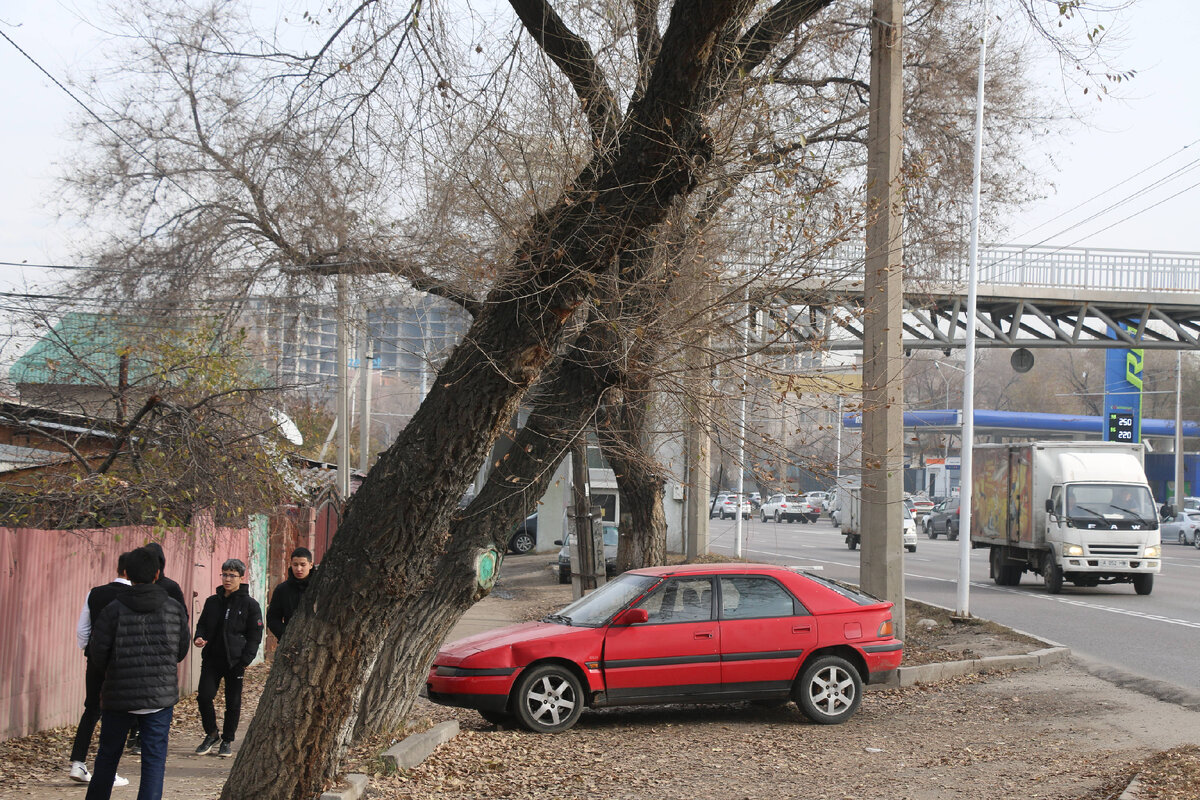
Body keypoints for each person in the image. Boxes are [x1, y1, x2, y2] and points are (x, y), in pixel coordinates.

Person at [83, 546, 190, 800]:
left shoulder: (113, 609)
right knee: (154, 762)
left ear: (127, 575)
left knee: (107, 757)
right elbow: (181, 650)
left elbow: (97, 653)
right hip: (159, 697)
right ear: (157, 574)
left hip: (118, 695)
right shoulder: (173, 608)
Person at [69, 553, 132, 787]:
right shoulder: (132, 596)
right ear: (129, 572)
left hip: (95, 660)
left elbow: (82, 630)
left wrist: (91, 651)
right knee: (115, 714)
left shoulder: (95, 593)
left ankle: (78, 762)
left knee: (91, 709)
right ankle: (107, 770)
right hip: (122, 663)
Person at [193, 559, 263, 758]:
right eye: (224, 574)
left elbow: (255, 634)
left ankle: (227, 739)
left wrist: (245, 659)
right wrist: (199, 637)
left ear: (241, 578)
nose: (227, 579)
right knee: (204, 697)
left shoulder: (249, 604)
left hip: (235, 661)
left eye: (232, 575)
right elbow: (202, 624)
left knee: (232, 702)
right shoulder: (212, 602)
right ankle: (211, 733)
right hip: (212, 659)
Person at [130, 541, 189, 756]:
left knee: (153, 701)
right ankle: (135, 733)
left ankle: (142, 737)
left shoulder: (170, 588)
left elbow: (183, 618)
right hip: (136, 653)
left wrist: (172, 647)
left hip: (160, 654)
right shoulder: (131, 591)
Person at [266, 547, 315, 641]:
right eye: (295, 565)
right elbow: (272, 618)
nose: (299, 569)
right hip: (289, 644)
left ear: (311, 565)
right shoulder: (282, 589)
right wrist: (286, 635)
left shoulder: (320, 587)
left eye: (303, 564)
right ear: (291, 565)